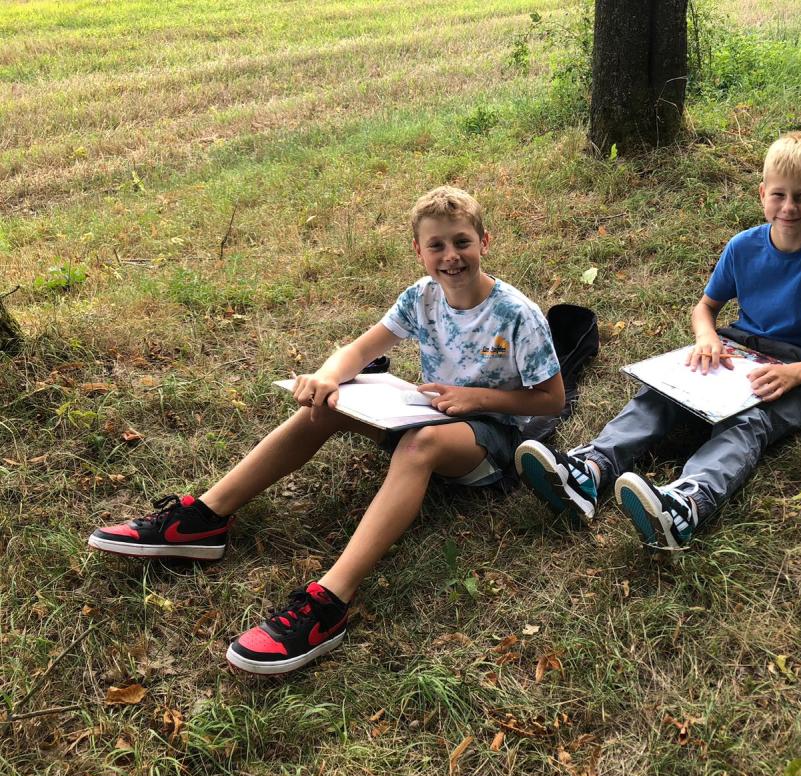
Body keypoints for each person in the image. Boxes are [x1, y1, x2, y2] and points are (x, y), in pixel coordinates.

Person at [89, 186, 564, 674]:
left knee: (420, 445)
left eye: (462, 242)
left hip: (489, 440)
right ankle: (204, 518)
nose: (451, 256)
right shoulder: (421, 297)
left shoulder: (515, 312)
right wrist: (326, 377)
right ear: (418, 251)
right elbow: (358, 350)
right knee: (327, 406)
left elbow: (551, 400)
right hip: (430, 413)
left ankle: (329, 602)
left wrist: (476, 399)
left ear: (485, 241)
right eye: (436, 245)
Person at [515, 131, 801, 551]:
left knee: (748, 424)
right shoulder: (743, 247)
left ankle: (686, 504)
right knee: (662, 394)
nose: (789, 207)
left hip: (798, 366)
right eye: (779, 195)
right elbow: (705, 308)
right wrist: (706, 337)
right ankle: (590, 469)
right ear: (762, 194)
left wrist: (796, 375)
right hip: (736, 349)